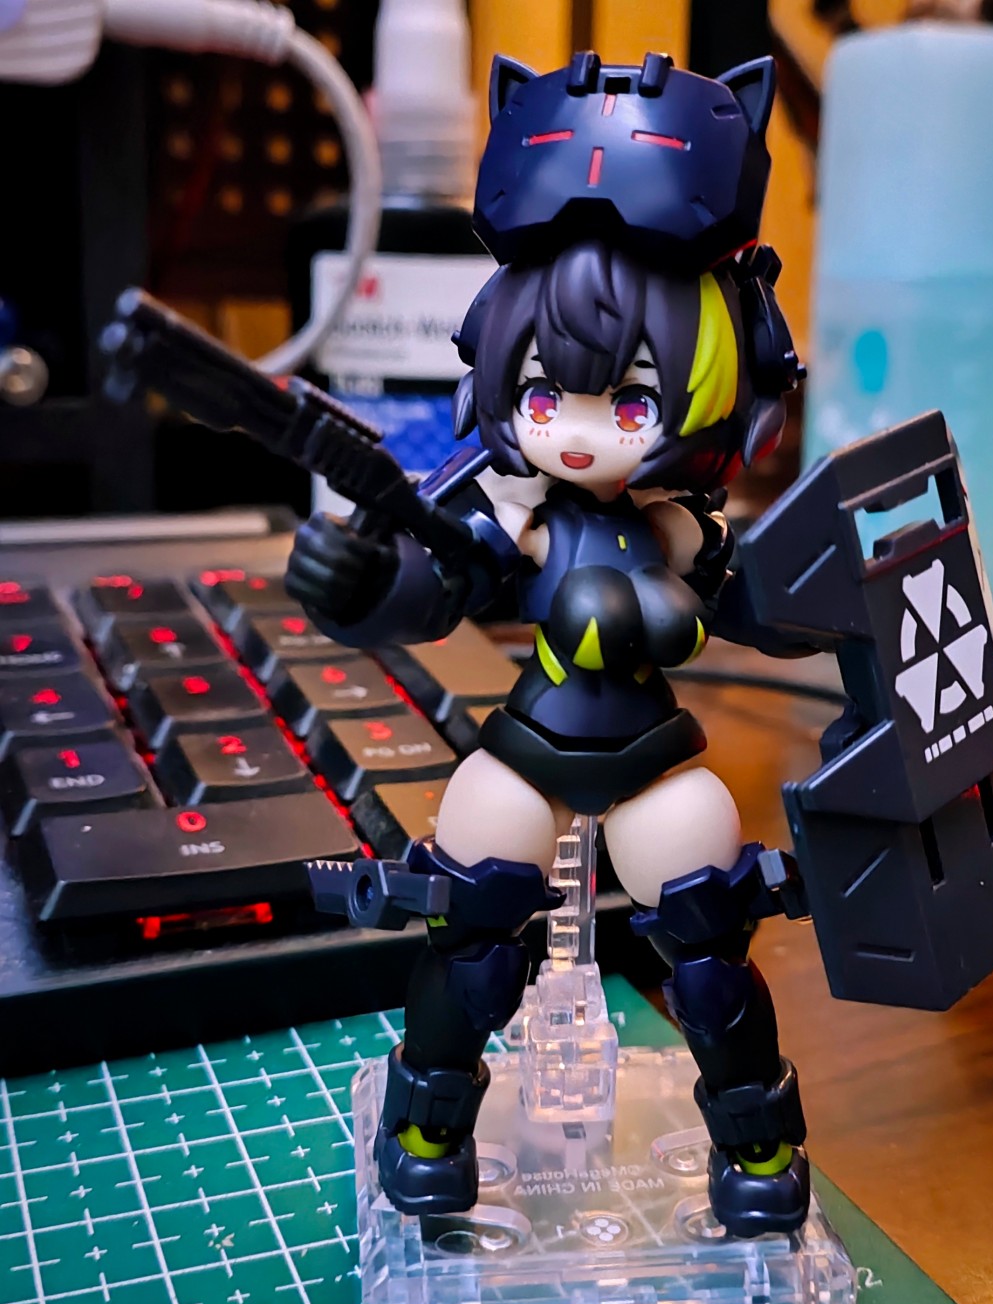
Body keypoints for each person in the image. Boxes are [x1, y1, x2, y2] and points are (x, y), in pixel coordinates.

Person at [285, 52, 815, 1239]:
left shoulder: (679, 529)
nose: (576, 434)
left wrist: (815, 609)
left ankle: (758, 1142)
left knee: (706, 947)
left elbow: (755, 610)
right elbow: (439, 586)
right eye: (541, 396)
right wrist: (358, 588)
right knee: (472, 933)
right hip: (525, 750)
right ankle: (425, 1132)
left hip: (649, 756)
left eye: (628, 404)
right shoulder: (517, 517)